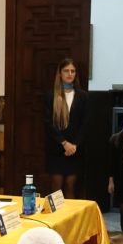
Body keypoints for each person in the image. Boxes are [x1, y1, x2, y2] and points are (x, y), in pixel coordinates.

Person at [44, 56, 89, 198]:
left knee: (71, 186)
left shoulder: (82, 96)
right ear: (60, 73)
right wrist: (64, 143)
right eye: (66, 71)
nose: (70, 74)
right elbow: (48, 122)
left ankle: (71, 220)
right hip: (57, 147)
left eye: (73, 71)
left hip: (75, 149)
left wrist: (74, 144)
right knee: (56, 187)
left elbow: (85, 123)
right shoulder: (51, 95)